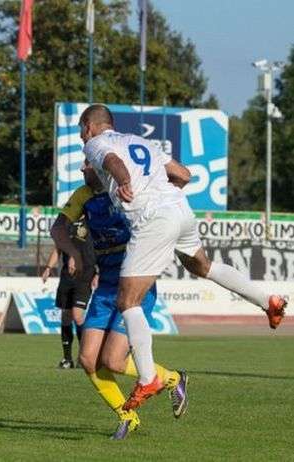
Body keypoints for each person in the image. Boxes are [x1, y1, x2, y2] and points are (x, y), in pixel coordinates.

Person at [79, 104, 286, 410]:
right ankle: (267, 301)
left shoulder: (99, 143)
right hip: (179, 209)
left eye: (81, 132)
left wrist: (123, 181)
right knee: (202, 265)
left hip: (153, 219)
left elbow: (111, 162)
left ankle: (148, 377)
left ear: (89, 126)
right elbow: (183, 174)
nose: (82, 140)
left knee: (127, 302)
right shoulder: (141, 141)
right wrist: (161, 192)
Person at [51, 160, 187, 440]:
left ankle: (173, 378)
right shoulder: (82, 195)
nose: (82, 170)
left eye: (87, 165)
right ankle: (127, 415)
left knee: (112, 361)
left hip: (135, 281)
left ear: (102, 167)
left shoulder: (131, 186)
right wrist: (74, 255)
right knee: (88, 359)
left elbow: (181, 177)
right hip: (105, 284)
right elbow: (58, 229)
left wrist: (152, 167)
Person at [41, 216, 96, 369]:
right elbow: (58, 249)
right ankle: (67, 358)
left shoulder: (92, 222)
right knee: (66, 317)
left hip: (84, 274)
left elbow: (96, 249)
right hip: (67, 276)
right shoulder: (66, 224)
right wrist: (48, 268)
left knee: (78, 316)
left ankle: (83, 356)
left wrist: (98, 272)